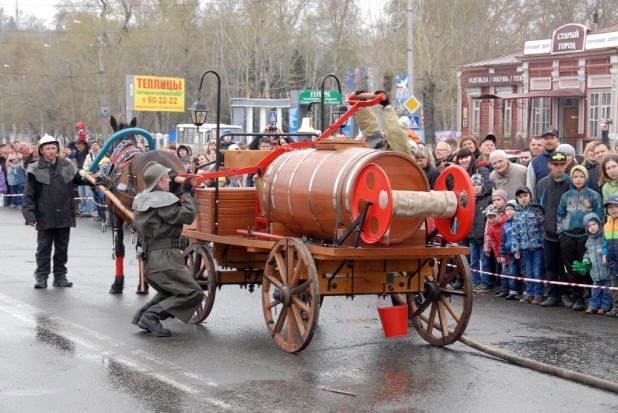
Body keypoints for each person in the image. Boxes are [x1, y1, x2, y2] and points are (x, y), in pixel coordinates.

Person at [130, 161, 203, 337]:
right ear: (157, 183)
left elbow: (166, 209)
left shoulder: (144, 199)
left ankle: (142, 316)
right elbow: (186, 215)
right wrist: (187, 192)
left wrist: (176, 192)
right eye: (165, 178)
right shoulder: (161, 200)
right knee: (193, 293)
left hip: (152, 259)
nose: (169, 181)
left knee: (169, 292)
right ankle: (150, 316)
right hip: (164, 258)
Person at [22, 134, 92, 289]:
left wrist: (93, 177)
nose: (51, 151)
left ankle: (60, 276)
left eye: (54, 148)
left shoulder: (68, 166)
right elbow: (28, 195)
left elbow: (81, 179)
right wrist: (29, 215)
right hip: (44, 214)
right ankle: (41, 276)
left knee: (62, 248)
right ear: (41, 150)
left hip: (64, 214)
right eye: (48, 148)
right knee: (43, 248)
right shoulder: (34, 169)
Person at [556, 165, 603, 311]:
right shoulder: (566, 196)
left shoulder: (594, 195)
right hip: (568, 236)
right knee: (572, 268)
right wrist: (560, 232)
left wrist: (595, 235)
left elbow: (599, 216)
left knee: (588, 266)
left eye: (581, 176)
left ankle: (591, 296)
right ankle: (577, 298)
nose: (578, 179)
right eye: (575, 176)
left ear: (586, 178)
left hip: (586, 237)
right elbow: (560, 215)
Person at [535, 152, 572, 307]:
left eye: (561, 165)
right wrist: (544, 223)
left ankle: (565, 294)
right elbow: (536, 207)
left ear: (566, 165)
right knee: (550, 265)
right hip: (548, 233)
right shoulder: (542, 184)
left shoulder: (570, 182)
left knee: (564, 265)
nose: (559, 168)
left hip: (566, 234)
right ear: (550, 165)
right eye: (555, 165)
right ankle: (552, 294)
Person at [511, 186, 545, 305]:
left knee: (537, 271)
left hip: (538, 247)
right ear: (517, 199)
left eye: (525, 196)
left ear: (530, 196)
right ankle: (529, 292)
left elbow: (542, 229)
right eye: (520, 197)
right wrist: (516, 249)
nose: (523, 199)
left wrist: (543, 243)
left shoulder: (536, 211)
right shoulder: (517, 215)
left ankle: (538, 294)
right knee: (528, 272)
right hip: (525, 248)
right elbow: (514, 233)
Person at [466, 174, 492, 293]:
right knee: (474, 261)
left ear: (482, 186)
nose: (476, 187)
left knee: (485, 261)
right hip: (472, 236)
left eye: (478, 185)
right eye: (473, 185)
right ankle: (475, 281)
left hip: (483, 238)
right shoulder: (469, 199)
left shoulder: (488, 199)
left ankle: (485, 283)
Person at [581, 213, 612, 314]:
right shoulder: (588, 240)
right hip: (594, 272)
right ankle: (593, 305)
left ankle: (605, 306)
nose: (592, 227)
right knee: (595, 290)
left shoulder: (604, 237)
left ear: (599, 224)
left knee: (606, 290)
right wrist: (585, 260)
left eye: (594, 224)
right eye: (589, 226)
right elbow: (587, 253)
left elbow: (609, 248)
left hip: (606, 270)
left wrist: (604, 252)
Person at [526, 128, 560, 200]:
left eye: (552, 138)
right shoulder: (534, 162)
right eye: (546, 138)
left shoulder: (566, 158)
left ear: (557, 140)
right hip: (541, 206)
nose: (549, 141)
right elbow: (530, 188)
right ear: (542, 140)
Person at [500, 200, 524, 300]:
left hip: (521, 252)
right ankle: (513, 290)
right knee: (512, 271)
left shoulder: (520, 222)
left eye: (512, 209)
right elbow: (502, 240)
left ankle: (524, 291)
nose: (509, 212)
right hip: (509, 252)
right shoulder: (505, 225)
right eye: (507, 210)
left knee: (523, 271)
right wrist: (502, 253)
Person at [484, 204, 507, 296]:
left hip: (508, 251)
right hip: (500, 252)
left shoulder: (505, 223)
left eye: (494, 216)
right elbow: (493, 242)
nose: (492, 219)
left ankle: (512, 289)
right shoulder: (491, 227)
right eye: (489, 217)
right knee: (502, 270)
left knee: (510, 271)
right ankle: (503, 287)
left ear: (500, 214)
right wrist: (497, 255)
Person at [602, 195, 618, 317]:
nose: (614, 209)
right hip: (613, 262)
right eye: (610, 207)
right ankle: (615, 307)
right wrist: (605, 255)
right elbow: (605, 243)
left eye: (616, 206)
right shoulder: (606, 225)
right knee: (614, 287)